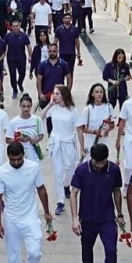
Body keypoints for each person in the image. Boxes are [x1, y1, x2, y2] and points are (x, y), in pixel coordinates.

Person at [0, 141, 53, 263]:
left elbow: (41, 189)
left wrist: (47, 212)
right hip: (11, 219)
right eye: (12, 160)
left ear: (24, 155)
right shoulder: (1, 172)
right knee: (13, 252)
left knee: (35, 251)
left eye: (19, 159)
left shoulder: (33, 167)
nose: (16, 162)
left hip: (30, 217)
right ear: (8, 157)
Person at [69, 143, 124, 263]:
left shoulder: (114, 169)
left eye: (103, 162)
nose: (100, 165)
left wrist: (120, 214)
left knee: (111, 251)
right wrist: (74, 218)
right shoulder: (82, 170)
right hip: (87, 219)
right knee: (87, 248)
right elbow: (74, 193)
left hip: (107, 219)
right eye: (97, 162)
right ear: (91, 158)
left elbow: (116, 191)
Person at [40, 85, 83, 215]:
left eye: (57, 94)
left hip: (68, 143)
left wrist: (82, 148)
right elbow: (40, 117)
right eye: (54, 93)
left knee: (70, 169)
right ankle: (60, 201)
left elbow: (79, 130)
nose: (54, 96)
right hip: (56, 143)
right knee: (58, 172)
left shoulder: (73, 111)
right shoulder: (53, 108)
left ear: (64, 95)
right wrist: (50, 104)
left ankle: (66, 185)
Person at [77, 83, 117, 158]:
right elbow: (82, 128)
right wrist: (94, 132)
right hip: (91, 141)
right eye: (97, 92)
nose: (99, 94)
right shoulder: (88, 109)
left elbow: (112, 124)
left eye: (101, 92)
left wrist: (107, 129)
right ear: (92, 94)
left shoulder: (109, 107)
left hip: (104, 141)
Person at [8, 94, 45, 163]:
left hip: (34, 153)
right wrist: (19, 139)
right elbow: (8, 140)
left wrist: (36, 140)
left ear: (31, 106)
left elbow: (41, 135)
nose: (26, 109)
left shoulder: (37, 119)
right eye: (24, 106)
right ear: (20, 106)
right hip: (20, 154)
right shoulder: (13, 122)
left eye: (28, 106)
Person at [35, 42, 73, 110]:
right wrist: (40, 94)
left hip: (60, 96)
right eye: (50, 51)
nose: (52, 53)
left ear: (57, 51)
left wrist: (67, 93)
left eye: (54, 51)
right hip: (46, 96)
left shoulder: (64, 64)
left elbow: (69, 79)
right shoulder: (42, 65)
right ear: (48, 51)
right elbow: (39, 80)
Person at [4, 21, 32, 99]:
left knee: (22, 73)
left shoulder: (24, 36)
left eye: (17, 26)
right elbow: (4, 47)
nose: (15, 27)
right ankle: (15, 90)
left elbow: (29, 46)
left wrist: (30, 56)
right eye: (14, 26)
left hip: (21, 58)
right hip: (11, 59)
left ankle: (19, 83)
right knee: (12, 75)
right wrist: (2, 56)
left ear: (19, 27)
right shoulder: (8, 36)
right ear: (11, 27)